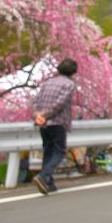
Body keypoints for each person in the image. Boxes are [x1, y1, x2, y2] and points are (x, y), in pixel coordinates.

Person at [31, 58, 78, 195]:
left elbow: (35, 101)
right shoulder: (69, 84)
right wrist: (45, 115)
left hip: (43, 123)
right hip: (57, 121)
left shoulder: (48, 82)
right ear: (73, 72)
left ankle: (49, 184)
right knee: (59, 151)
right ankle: (43, 176)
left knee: (48, 150)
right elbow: (60, 103)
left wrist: (37, 116)